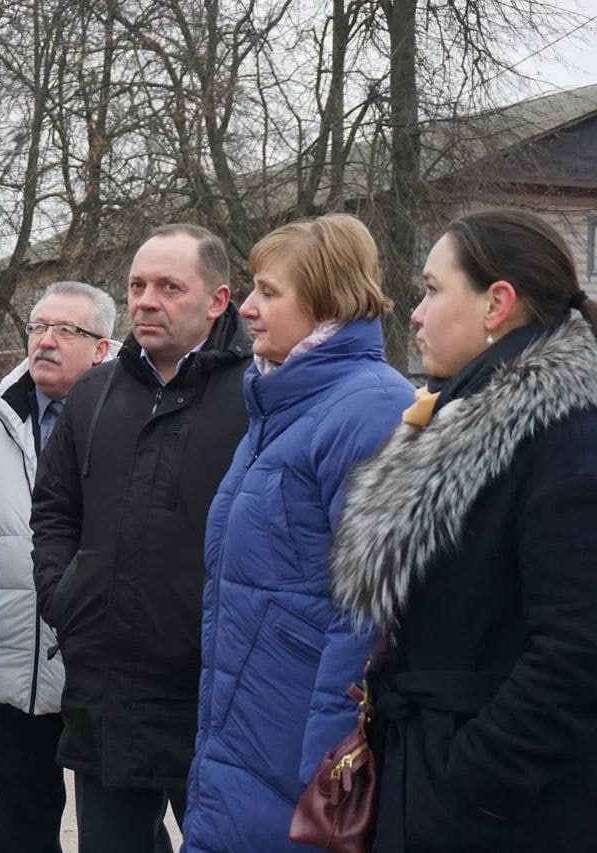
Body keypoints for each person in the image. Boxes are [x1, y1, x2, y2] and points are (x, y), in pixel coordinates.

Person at [331, 210, 597, 853]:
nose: (415, 314)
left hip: (501, 815)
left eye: (431, 289)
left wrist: (467, 785)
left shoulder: (567, 436)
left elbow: (578, 653)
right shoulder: (464, 419)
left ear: (496, 304)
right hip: (432, 780)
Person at [180, 214, 414, 851]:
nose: (248, 308)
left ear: (328, 301)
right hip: (248, 738)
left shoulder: (369, 409)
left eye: (268, 292)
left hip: (297, 754)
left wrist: (329, 773)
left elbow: (366, 616)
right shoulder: (279, 406)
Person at [32, 225, 252, 852]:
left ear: (218, 300)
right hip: (108, 691)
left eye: (168, 287)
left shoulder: (258, 390)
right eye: (137, 286)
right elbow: (54, 509)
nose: (146, 301)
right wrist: (62, 596)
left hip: (211, 690)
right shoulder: (96, 394)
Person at [0, 281, 116, 853]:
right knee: (18, 835)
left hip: (104, 670)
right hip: (12, 664)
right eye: (39, 327)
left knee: (120, 831)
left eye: (67, 330)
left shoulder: (129, 425)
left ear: (103, 349)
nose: (46, 341)